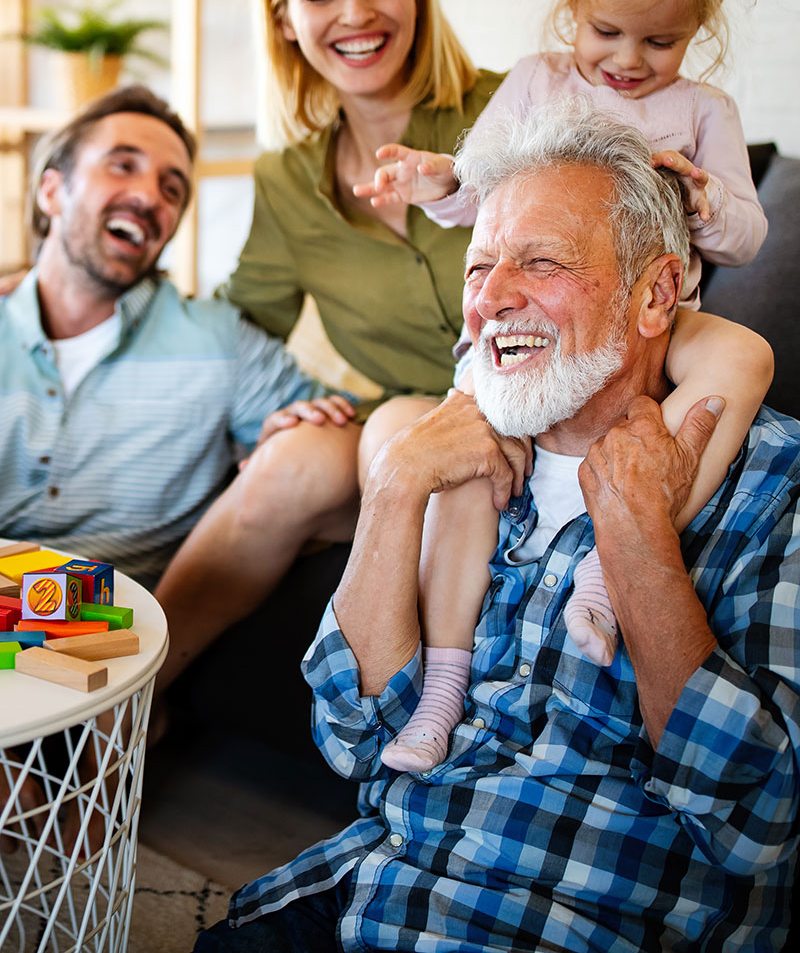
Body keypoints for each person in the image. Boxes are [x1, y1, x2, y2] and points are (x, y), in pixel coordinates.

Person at [196, 103, 800, 952]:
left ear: (658, 294)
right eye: (480, 267)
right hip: (375, 890)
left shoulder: (774, 484)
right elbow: (353, 737)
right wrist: (398, 482)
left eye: (541, 262)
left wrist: (637, 545)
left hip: (575, 925)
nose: (492, 299)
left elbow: (758, 820)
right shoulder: (465, 456)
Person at [355, 0, 773, 772]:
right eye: (606, 31)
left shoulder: (704, 111)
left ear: (697, 31)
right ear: (570, 7)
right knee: (469, 474)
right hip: (532, 340)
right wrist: (430, 181)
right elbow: (474, 185)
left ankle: (609, 562)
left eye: (660, 42)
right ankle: (443, 691)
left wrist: (701, 199)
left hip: (656, 326)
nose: (628, 61)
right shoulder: (541, 82)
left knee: (742, 355)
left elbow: (748, 236)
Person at [152, 0, 505, 693]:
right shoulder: (287, 180)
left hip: (528, 415)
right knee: (290, 458)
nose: (357, 13)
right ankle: (127, 707)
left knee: (397, 442)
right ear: (285, 18)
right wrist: (71, 283)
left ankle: (408, 723)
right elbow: (235, 324)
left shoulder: (512, 109)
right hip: (402, 432)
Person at [0, 85, 348, 590]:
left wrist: (299, 436)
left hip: (126, 647)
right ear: (51, 190)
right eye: (122, 165)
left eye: (172, 189)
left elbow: (349, 456)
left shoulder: (219, 340)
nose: (148, 197)